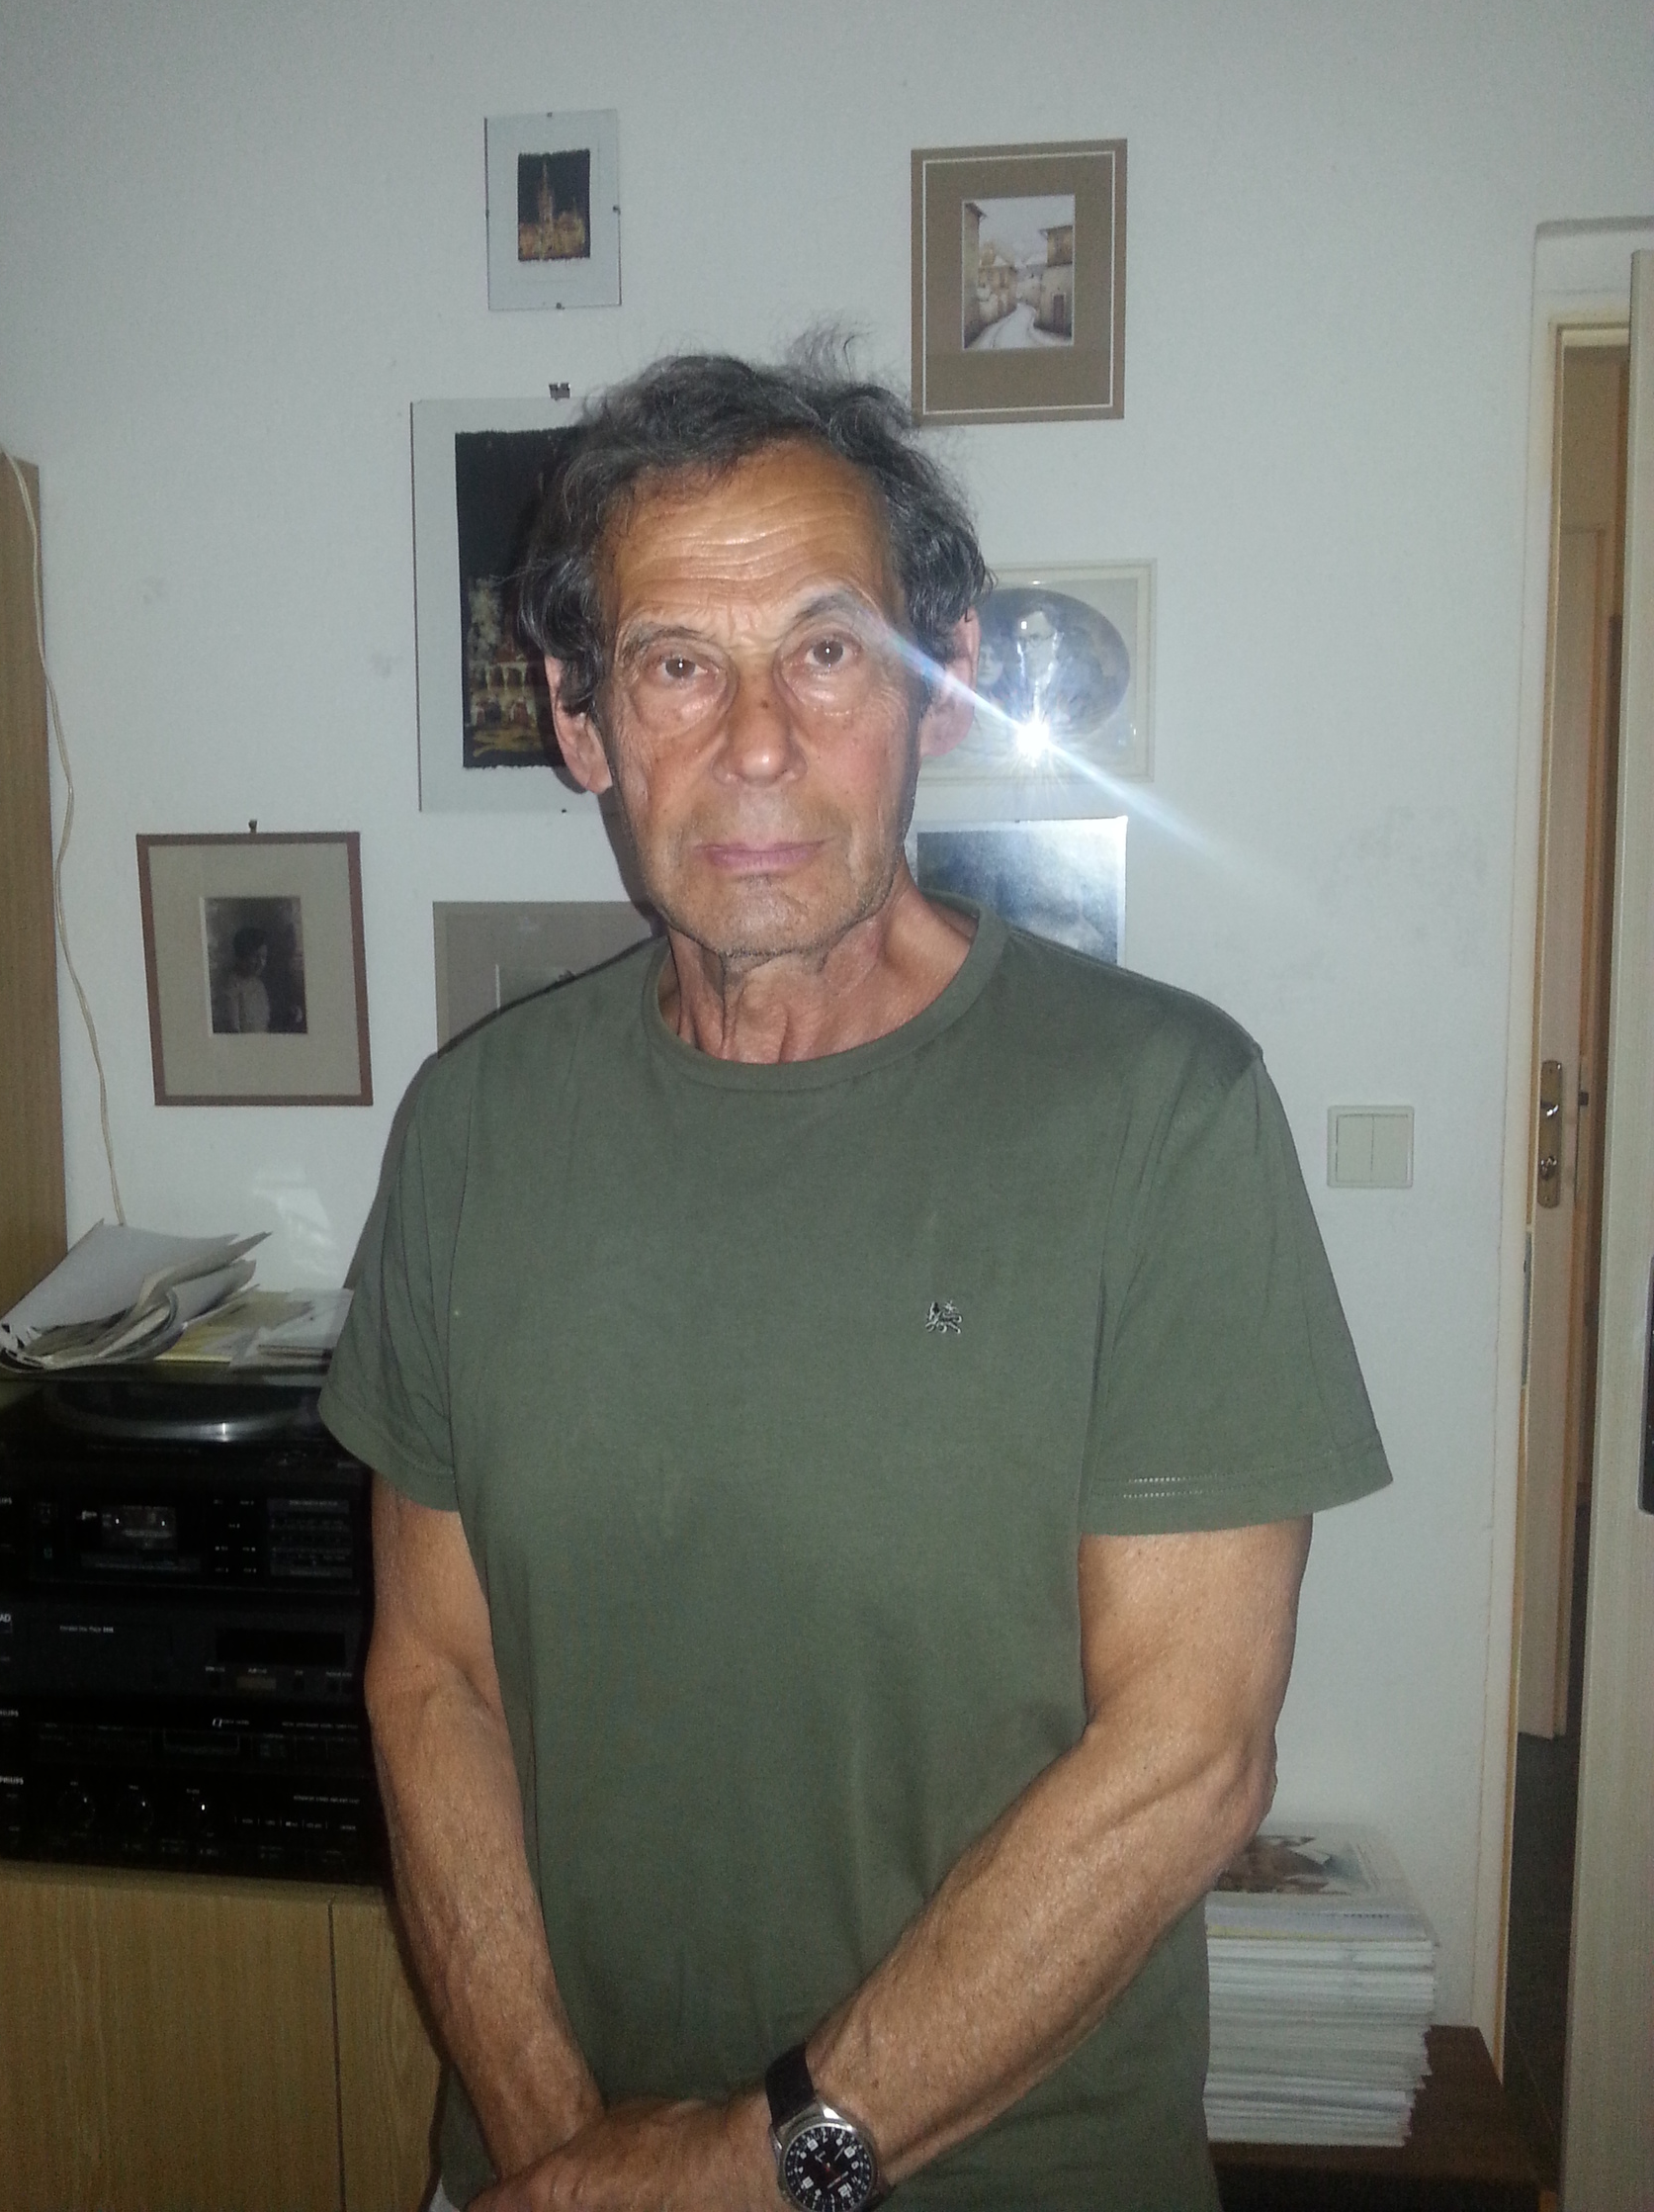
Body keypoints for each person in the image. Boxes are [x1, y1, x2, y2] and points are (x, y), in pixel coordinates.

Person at [319, 351, 1390, 2212]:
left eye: (827, 652)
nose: (757, 743)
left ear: (941, 684)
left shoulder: (1160, 1114)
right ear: (580, 720)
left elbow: (1189, 1757)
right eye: (677, 665)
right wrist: (567, 2150)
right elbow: (432, 1681)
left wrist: (752, 2167)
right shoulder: (473, 1129)